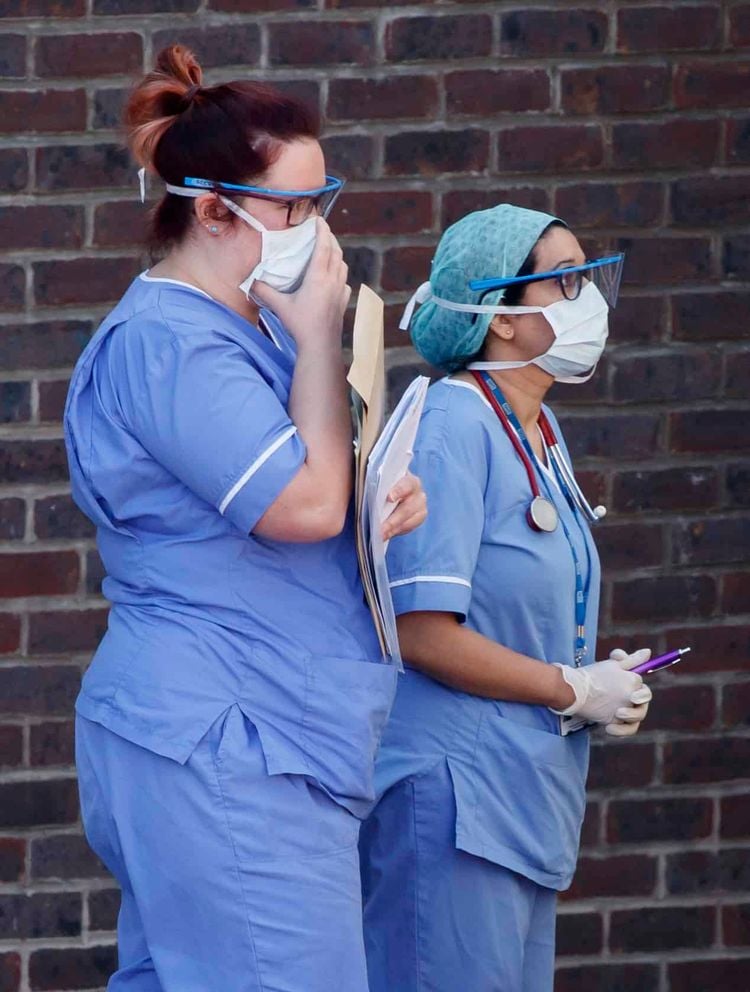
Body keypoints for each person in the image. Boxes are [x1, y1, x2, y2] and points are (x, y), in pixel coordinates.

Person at [65, 45, 426, 992]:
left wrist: (376, 508)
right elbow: (303, 506)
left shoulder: (238, 331)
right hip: (227, 738)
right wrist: (317, 334)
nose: (317, 228)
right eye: (295, 206)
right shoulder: (170, 343)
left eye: (323, 199)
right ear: (212, 205)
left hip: (239, 733)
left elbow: (320, 498)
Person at [359, 204, 654, 992]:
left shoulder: (539, 427)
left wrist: (600, 675)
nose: (587, 296)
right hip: (453, 803)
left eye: (589, 276)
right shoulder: (452, 424)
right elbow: (421, 632)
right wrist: (572, 688)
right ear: (499, 318)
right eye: (564, 280)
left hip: (522, 799)